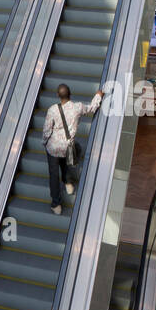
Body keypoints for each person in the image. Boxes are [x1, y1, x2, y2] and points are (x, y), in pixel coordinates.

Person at [41, 84, 105, 214]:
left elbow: (46, 130)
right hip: (67, 147)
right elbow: (92, 108)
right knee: (72, 152)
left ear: (58, 96)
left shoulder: (52, 110)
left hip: (53, 148)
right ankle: (68, 183)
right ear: (70, 94)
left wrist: (45, 142)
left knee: (53, 175)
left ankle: (56, 205)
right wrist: (98, 95)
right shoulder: (78, 107)